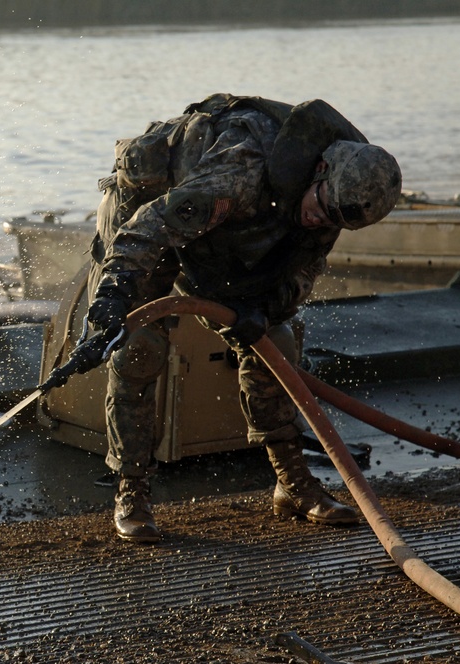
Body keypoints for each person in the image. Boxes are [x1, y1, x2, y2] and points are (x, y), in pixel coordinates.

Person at [84, 93, 402, 543]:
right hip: (152, 206)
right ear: (320, 172)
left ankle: (291, 483)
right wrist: (115, 290)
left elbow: (300, 274)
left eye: (332, 219)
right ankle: (132, 492)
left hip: (228, 229)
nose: (320, 220)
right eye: (322, 207)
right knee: (139, 347)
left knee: (275, 343)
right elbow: (151, 225)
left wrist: (262, 312)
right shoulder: (243, 167)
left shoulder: (335, 204)